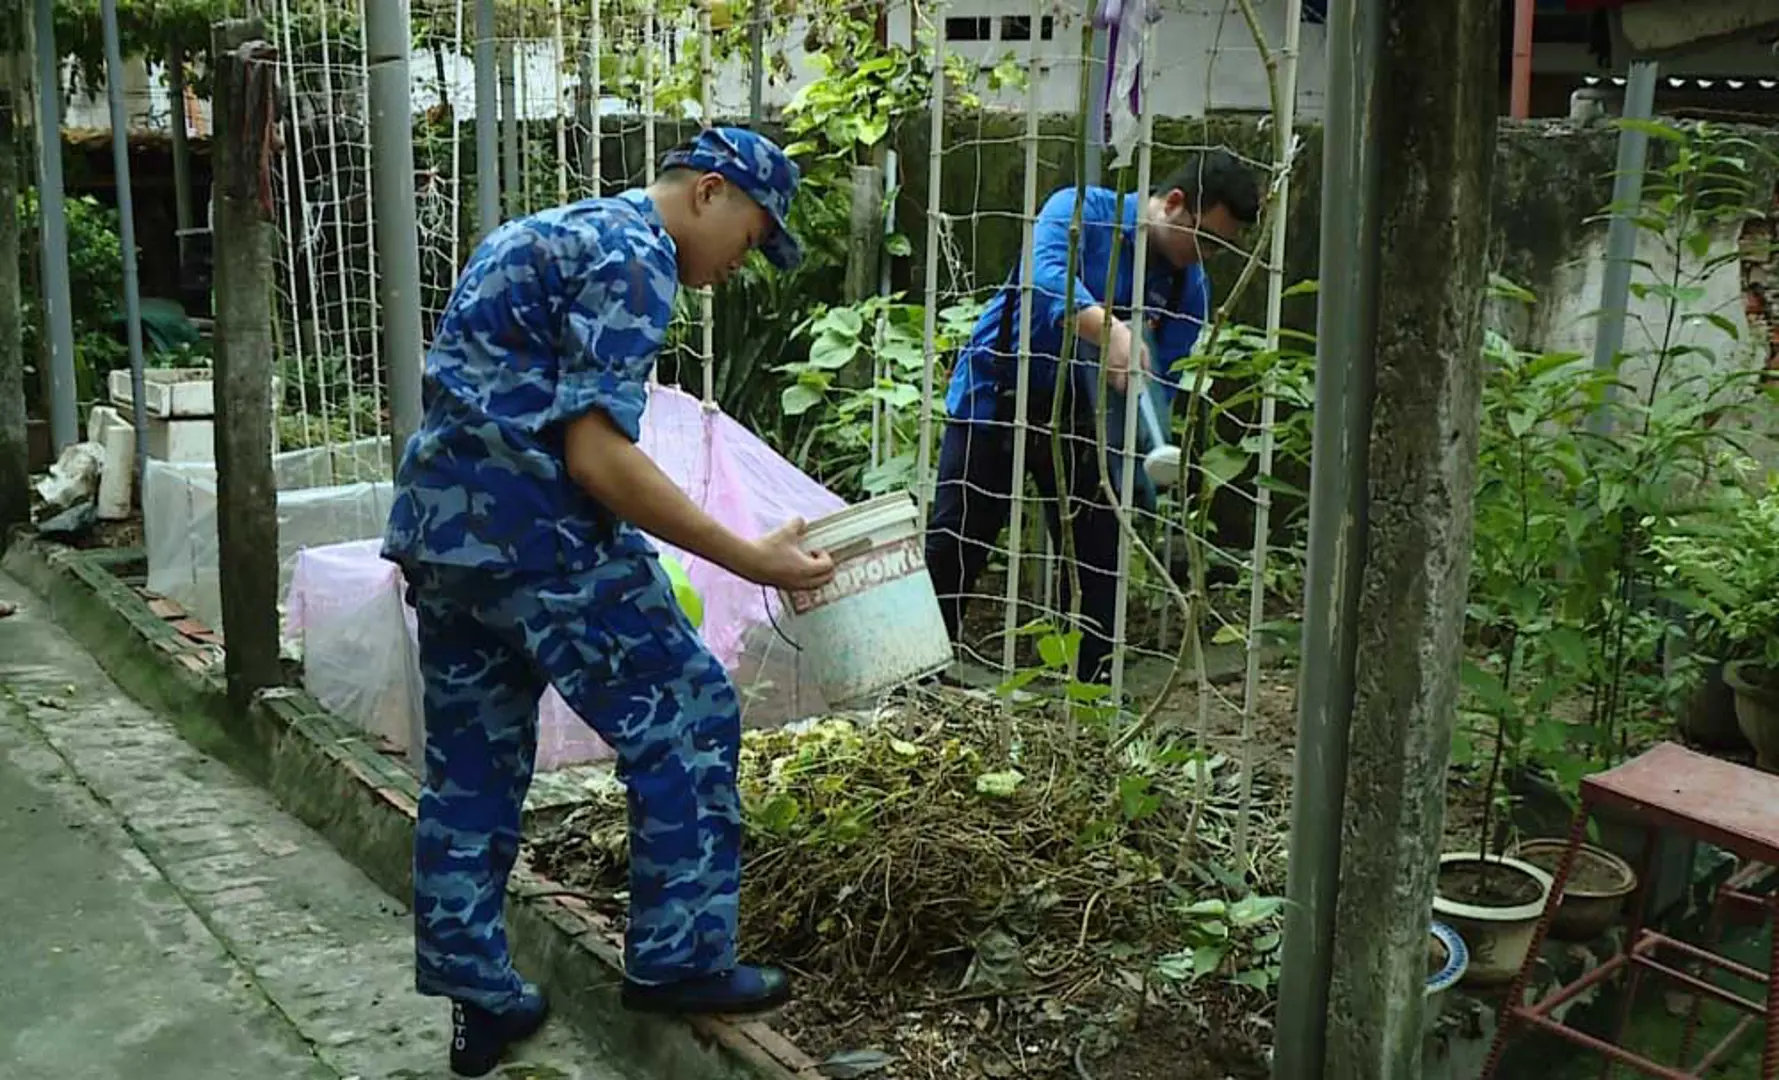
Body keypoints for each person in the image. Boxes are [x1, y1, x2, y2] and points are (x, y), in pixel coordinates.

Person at [380, 127, 837, 1078]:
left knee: (472, 770)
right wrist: (749, 557)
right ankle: (680, 960)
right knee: (688, 713)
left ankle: (480, 1001)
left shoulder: (544, 232)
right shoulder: (638, 258)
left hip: (445, 540)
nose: (741, 263)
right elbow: (597, 459)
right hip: (540, 542)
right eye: (752, 237)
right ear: (709, 193)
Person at [924, 149, 1261, 685]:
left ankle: (1090, 695)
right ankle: (919, 677)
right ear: (1174, 204)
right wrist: (1111, 330)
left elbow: (1159, 378)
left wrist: (1138, 388)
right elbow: (1044, 276)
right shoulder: (1079, 213)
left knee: (1098, 558)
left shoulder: (1186, 287)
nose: (1206, 257)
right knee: (955, 543)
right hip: (1000, 393)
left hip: (1087, 419)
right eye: (1206, 238)